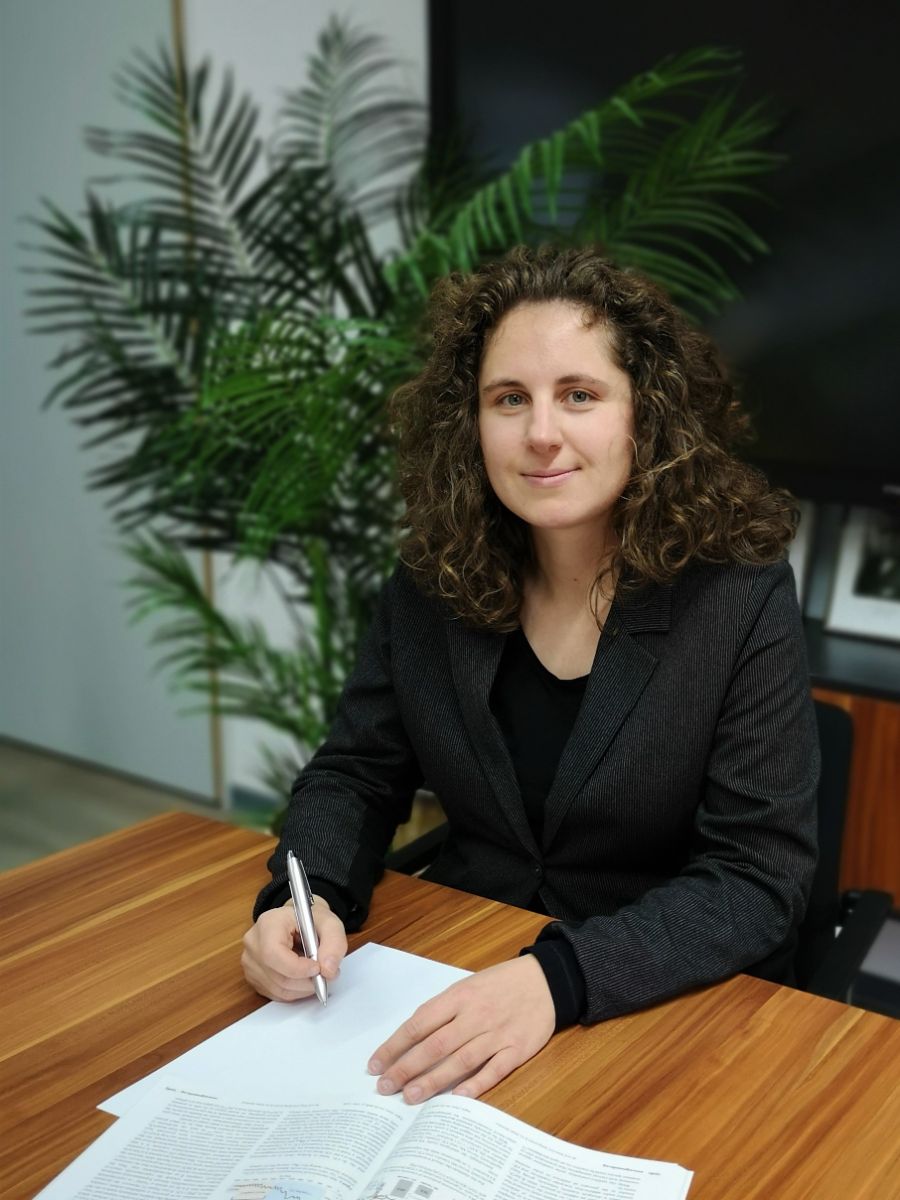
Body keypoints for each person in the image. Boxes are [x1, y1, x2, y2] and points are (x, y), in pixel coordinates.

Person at [241, 244, 819, 1105]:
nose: (541, 432)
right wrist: (302, 893)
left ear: (644, 417)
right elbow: (357, 771)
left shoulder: (738, 594)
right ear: (471, 424)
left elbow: (758, 875)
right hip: (460, 971)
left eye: (579, 395)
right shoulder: (432, 579)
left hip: (657, 1005)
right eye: (509, 399)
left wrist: (558, 980)